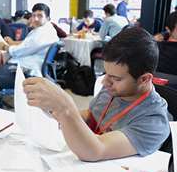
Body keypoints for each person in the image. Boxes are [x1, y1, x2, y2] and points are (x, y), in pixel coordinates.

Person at [23, 27, 169, 161]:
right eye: (106, 73)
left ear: (144, 79)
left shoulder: (153, 121)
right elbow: (91, 115)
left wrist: (65, 108)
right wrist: (55, 116)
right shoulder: (113, 88)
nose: (105, 82)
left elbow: (97, 151)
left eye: (115, 78)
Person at [0, 3, 58, 90]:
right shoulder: (48, 29)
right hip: (32, 66)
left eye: (40, 16)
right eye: (34, 15)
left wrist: (4, 46)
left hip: (27, 71)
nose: (35, 19)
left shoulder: (41, 33)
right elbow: (28, 45)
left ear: (48, 18)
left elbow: (18, 51)